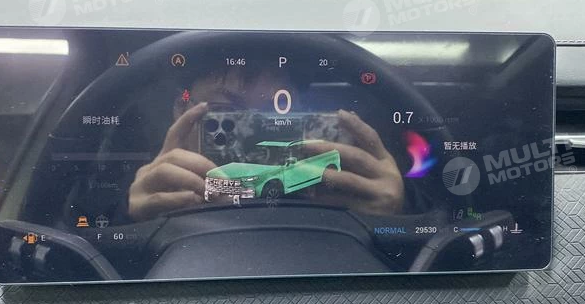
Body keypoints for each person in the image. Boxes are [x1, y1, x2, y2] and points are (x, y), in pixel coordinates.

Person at [128, 66, 404, 221]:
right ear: (182, 109)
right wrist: (132, 217)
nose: (255, 137)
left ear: (304, 119)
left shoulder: (342, 183)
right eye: (227, 113)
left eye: (278, 116)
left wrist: (397, 210)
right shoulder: (149, 185)